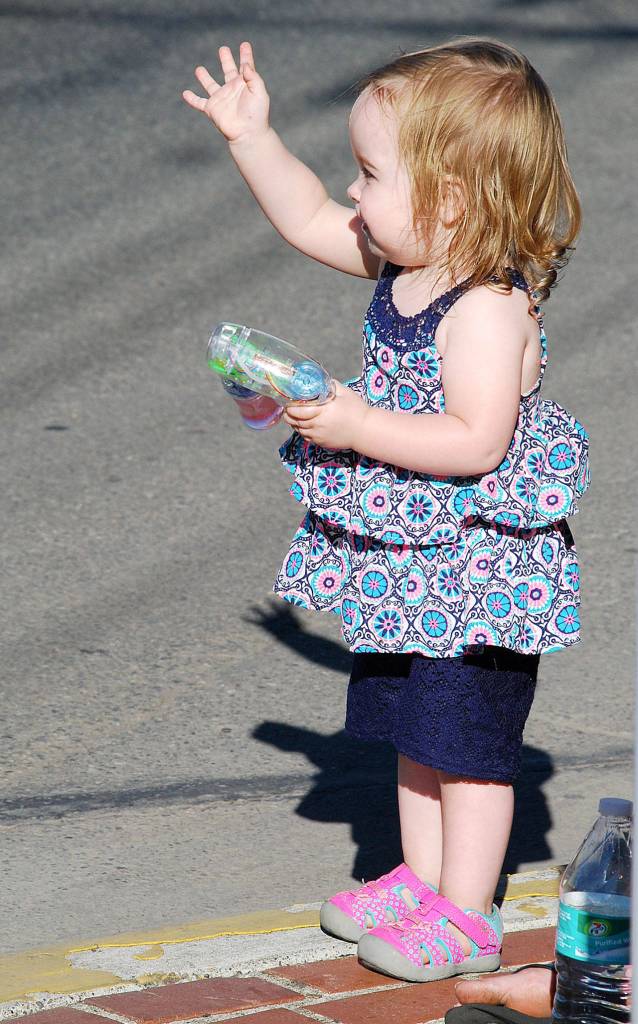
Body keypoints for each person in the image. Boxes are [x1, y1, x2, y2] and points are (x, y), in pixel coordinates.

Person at [183, 38, 589, 983]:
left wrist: (360, 420)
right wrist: (252, 138)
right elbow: (307, 218)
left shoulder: (485, 309)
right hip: (415, 562)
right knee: (412, 727)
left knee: (470, 746)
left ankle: (466, 913)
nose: (354, 195)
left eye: (371, 173)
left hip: (479, 574)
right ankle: (417, 877)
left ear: (449, 200)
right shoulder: (407, 265)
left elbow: (477, 441)